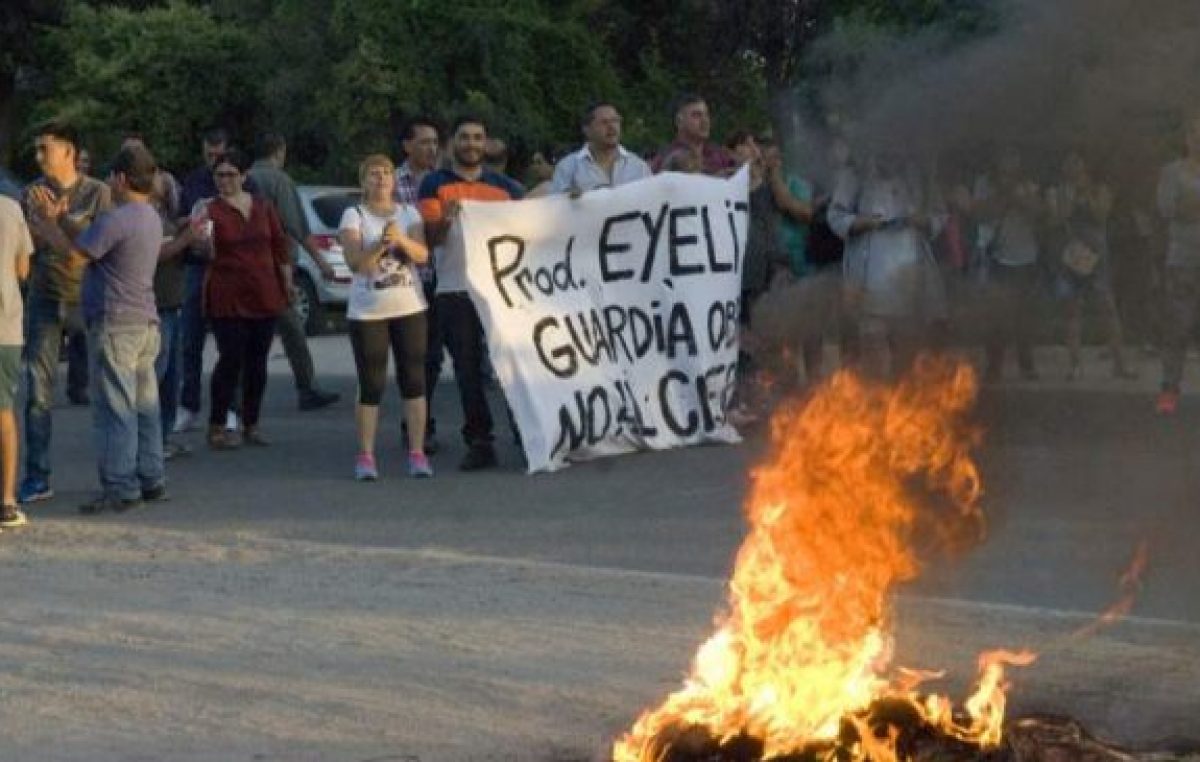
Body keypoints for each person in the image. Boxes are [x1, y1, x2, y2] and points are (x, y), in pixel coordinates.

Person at [28, 144, 166, 514]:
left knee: (114, 409)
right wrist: (65, 218)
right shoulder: (149, 216)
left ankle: (120, 486)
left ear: (120, 179)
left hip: (115, 322)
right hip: (144, 320)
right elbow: (93, 239)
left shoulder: (116, 218)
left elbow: (76, 255)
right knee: (145, 405)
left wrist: (48, 222)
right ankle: (151, 477)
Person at [418, 115, 524, 471]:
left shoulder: (505, 187)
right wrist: (445, 220)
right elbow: (430, 241)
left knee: (512, 363)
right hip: (454, 289)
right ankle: (480, 441)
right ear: (453, 145)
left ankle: (526, 432)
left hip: (500, 290)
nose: (472, 144)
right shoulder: (434, 184)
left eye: (478, 137)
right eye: (464, 137)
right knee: (467, 370)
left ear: (486, 142)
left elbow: (534, 224)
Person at [19, 120, 112, 505]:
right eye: (37, 149)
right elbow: (25, 250)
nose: (40, 156)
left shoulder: (97, 193)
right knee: (38, 393)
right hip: (43, 298)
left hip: (88, 298)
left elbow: (90, 251)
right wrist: (42, 226)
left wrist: (56, 222)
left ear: (70, 152)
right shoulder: (31, 194)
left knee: (105, 390)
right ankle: (38, 476)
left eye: (47, 148)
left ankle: (114, 474)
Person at [339, 155, 433, 480]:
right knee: (372, 383)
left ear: (394, 180)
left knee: (414, 380)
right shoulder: (354, 215)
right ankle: (366, 455)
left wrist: (402, 239)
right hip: (368, 311)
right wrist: (381, 243)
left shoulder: (409, 213)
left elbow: (422, 255)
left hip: (409, 306)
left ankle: (417, 452)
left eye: (386, 173)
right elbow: (357, 264)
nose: (381, 179)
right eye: (374, 174)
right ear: (364, 181)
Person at [195, 148, 291, 449]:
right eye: (219, 175)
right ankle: (218, 423)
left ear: (244, 176)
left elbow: (279, 246)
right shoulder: (209, 209)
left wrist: (286, 281)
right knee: (230, 359)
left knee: (257, 362)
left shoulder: (263, 207)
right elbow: (204, 252)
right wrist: (202, 242)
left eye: (230, 174)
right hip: (228, 294)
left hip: (264, 291)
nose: (224, 180)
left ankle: (252, 423)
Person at [829, 147, 948, 379]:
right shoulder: (856, 172)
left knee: (907, 353)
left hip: (910, 278)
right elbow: (835, 216)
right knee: (873, 353)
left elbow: (939, 215)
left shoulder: (920, 174)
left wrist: (922, 220)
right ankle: (874, 407)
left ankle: (902, 406)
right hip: (869, 279)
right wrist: (861, 222)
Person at [248, 132, 341, 411]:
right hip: (277, 267)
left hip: (247, 266)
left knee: (250, 330)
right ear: (280, 151)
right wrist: (322, 263)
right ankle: (307, 387)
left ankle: (239, 394)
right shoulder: (279, 181)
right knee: (292, 331)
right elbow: (296, 226)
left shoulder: (243, 177)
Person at [175, 128, 258, 434]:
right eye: (208, 155)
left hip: (231, 267)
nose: (214, 163)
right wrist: (191, 222)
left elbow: (256, 216)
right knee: (190, 340)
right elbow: (180, 216)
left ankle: (231, 407)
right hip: (198, 265)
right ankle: (189, 405)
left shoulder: (245, 180)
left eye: (218, 155)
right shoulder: (194, 180)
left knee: (232, 344)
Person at [973, 146, 1044, 382]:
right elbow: (980, 213)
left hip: (1026, 256)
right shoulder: (985, 183)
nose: (1009, 162)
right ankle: (994, 364)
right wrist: (1003, 196)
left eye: (1013, 157)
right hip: (996, 256)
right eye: (1004, 157)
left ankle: (1027, 363)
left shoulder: (1030, 183)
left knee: (1024, 315)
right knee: (996, 315)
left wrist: (1018, 195)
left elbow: (1038, 213)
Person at [394, 116, 444, 455]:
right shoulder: (393, 183)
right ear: (407, 145)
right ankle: (417, 425)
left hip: (446, 280)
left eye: (435, 142)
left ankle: (421, 421)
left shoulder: (444, 181)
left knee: (436, 358)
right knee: (417, 358)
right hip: (411, 283)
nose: (431, 148)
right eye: (424, 141)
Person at [1155, 114, 1200, 415]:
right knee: (1178, 327)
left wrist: (1190, 204)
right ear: (1187, 139)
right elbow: (1167, 209)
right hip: (1183, 259)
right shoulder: (1173, 172)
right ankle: (1169, 389)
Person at [0, 193, 32, 529]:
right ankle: (7, 499)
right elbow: (24, 269)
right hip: (4, 324)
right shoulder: (10, 208)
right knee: (4, 410)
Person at [550, 102, 651, 194]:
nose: (611, 126)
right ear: (587, 130)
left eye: (615, 121)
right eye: (604, 122)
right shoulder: (568, 167)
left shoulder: (638, 166)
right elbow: (556, 206)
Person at [651, 94, 735, 176]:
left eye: (706, 115)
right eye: (696, 115)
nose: (705, 121)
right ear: (679, 121)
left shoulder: (719, 155)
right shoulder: (665, 158)